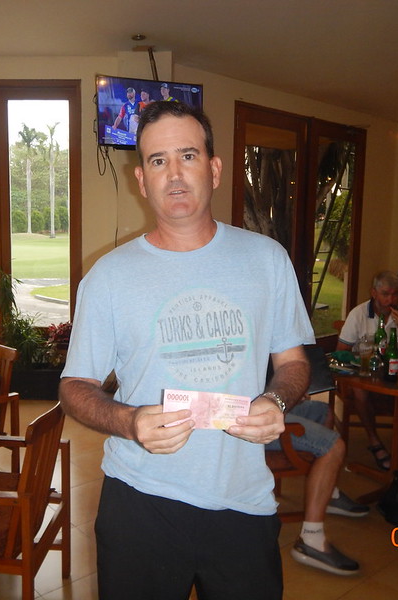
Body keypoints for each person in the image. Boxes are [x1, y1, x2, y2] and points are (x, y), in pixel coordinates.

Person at [59, 100, 314, 600]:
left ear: (214, 169)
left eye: (188, 156)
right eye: (158, 160)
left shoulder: (267, 260)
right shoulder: (108, 277)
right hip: (140, 502)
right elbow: (74, 388)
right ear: (142, 180)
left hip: (243, 502)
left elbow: (293, 363)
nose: (174, 174)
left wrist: (276, 400)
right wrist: (129, 421)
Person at [265, 399, 368, 575]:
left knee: (322, 411)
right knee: (333, 446)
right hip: (248, 419)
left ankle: (328, 494)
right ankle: (311, 539)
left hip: (265, 405)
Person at [336, 270, 398, 470]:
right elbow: (341, 352)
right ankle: (374, 441)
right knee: (360, 391)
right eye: (385, 294)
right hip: (367, 373)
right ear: (374, 293)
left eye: (395, 294)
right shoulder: (358, 314)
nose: (391, 300)